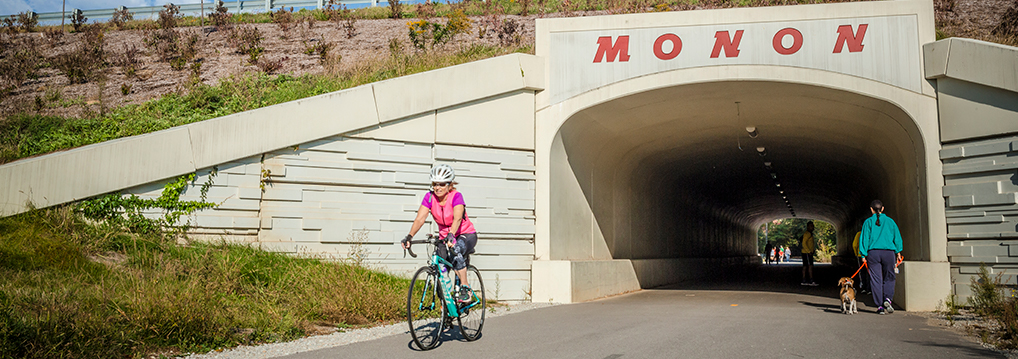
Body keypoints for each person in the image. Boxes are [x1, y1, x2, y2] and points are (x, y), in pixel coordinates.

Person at [401, 164, 479, 302]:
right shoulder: (430, 198)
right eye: (435, 184)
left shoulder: (456, 196)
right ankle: (447, 309)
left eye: (442, 184)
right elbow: (420, 218)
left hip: (465, 234)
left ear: (450, 185)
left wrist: (451, 234)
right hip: (445, 237)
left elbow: (457, 218)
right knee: (440, 269)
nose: (437, 188)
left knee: (455, 249)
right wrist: (409, 236)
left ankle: (465, 287)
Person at [860, 199, 903, 315]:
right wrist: (898, 252)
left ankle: (879, 306)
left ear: (871, 209)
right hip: (888, 253)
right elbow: (897, 237)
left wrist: (863, 254)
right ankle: (887, 299)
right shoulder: (890, 222)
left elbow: (864, 239)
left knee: (876, 279)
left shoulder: (868, 222)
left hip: (873, 253)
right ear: (882, 209)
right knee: (889, 276)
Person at [851, 230, 870, 294]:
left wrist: (856, 254)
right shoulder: (871, 233)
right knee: (870, 271)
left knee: (862, 271)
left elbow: (855, 245)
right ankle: (869, 288)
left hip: (861, 255)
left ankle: (864, 287)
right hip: (871, 255)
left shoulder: (859, 234)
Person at [800, 221, 818, 286]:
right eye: (811, 226)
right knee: (809, 266)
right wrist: (809, 251)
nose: (812, 227)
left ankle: (804, 280)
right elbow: (804, 243)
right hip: (807, 253)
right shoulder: (807, 234)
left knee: (806, 266)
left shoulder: (810, 234)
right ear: (808, 227)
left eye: (813, 226)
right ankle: (811, 280)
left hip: (807, 252)